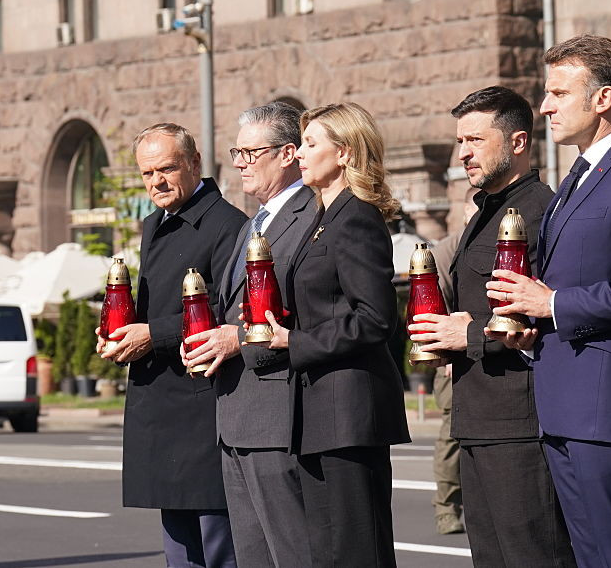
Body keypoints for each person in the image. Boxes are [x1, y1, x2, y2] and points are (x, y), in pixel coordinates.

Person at [489, 36, 611, 567]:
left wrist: (553, 305)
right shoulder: (575, 178)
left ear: (603, 99)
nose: (545, 106)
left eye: (558, 93)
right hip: (562, 403)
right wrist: (529, 326)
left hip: (607, 408)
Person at [410, 86, 576, 567]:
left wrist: (469, 334)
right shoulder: (485, 212)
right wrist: (445, 341)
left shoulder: (541, 212)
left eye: (476, 140)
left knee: (534, 556)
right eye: (460, 141)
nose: (463, 153)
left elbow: (545, 314)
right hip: (476, 417)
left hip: (520, 423)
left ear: (518, 142)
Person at [260, 103, 410, 568]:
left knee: (357, 551)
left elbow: (376, 318)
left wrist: (295, 342)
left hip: (349, 413)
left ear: (344, 153)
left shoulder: (356, 216)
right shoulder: (323, 217)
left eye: (310, 143)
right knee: (328, 553)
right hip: (319, 413)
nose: (299, 153)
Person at [98, 123, 246, 568]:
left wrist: (152, 334)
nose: (156, 182)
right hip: (162, 401)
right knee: (179, 551)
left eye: (167, 168)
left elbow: (229, 311)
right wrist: (118, 332)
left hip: (203, 401)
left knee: (216, 547)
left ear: (195, 163)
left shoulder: (227, 224)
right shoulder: (155, 223)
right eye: (147, 173)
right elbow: (156, 305)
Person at [182, 101, 316, 567]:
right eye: (236, 153)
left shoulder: (310, 214)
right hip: (236, 413)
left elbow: (304, 307)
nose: (239, 163)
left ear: (288, 154)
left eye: (250, 153)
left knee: (292, 552)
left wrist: (233, 339)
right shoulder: (255, 222)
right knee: (253, 555)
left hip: (278, 414)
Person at [426, 187, 478, 536]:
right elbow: (432, 301)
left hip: (483, 346)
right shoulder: (448, 249)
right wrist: (444, 351)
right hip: (452, 355)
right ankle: (447, 509)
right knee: (452, 437)